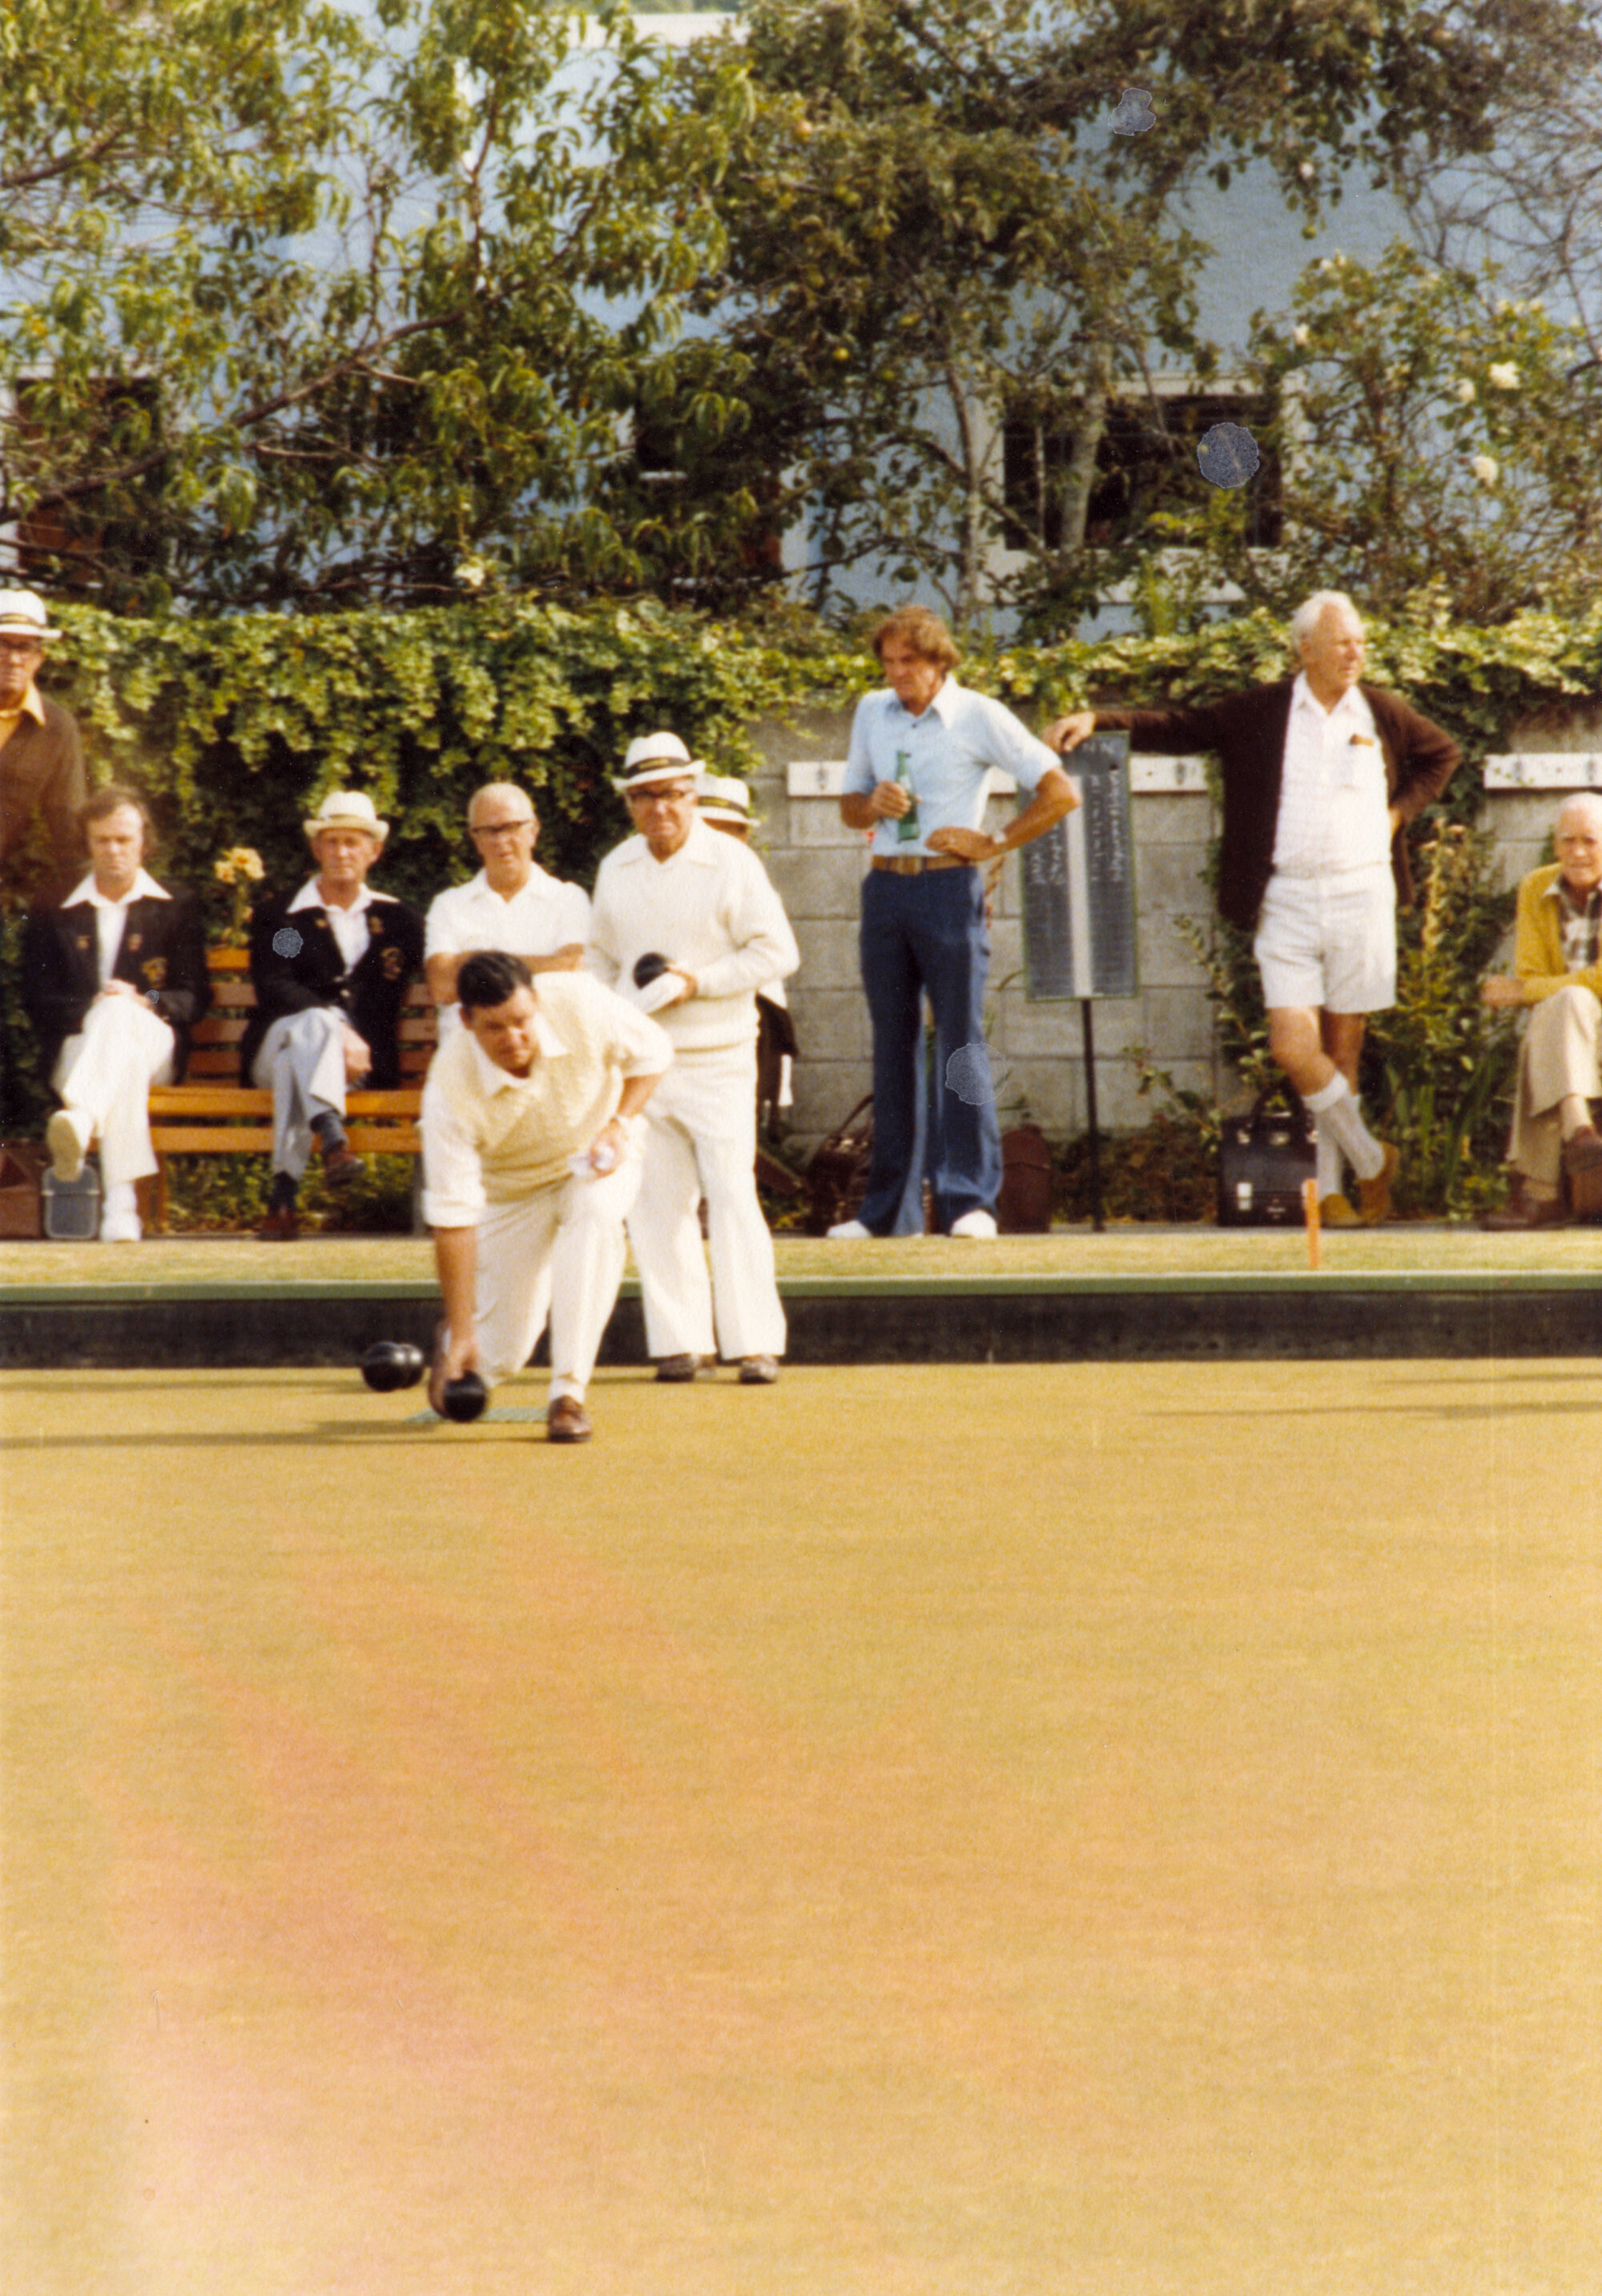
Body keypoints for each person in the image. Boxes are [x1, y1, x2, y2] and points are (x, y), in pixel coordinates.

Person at [1050, 591, 1461, 1225]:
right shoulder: (1262, 711)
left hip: (1362, 894)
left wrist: (1396, 815)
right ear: (1305, 651)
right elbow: (1179, 728)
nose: (1356, 652)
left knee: (1344, 1054)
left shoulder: (1381, 711)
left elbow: (1442, 755)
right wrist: (1098, 719)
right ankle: (1375, 1159)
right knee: (1294, 1047)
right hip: (1287, 898)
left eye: (1360, 641)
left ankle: (1332, 1191)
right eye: (1342, 642)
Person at [835, 605, 1078, 1240]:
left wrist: (994, 840)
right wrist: (872, 803)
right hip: (885, 887)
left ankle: (969, 1200)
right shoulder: (870, 711)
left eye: (908, 662)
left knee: (961, 1044)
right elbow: (847, 807)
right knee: (891, 1048)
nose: (896, 675)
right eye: (887, 663)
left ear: (939, 661)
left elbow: (1061, 793)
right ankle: (888, 1213)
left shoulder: (980, 715)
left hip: (948, 888)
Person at [587, 731, 799, 1384]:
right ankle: (680, 1342)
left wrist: (695, 981)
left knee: (733, 1194)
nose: (662, 809)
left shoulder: (732, 864)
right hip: (646, 1064)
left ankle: (755, 1342)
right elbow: (599, 957)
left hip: (720, 1057)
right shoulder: (616, 868)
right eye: (647, 797)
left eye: (675, 795)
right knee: (655, 1204)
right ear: (629, 803)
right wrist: (608, 1012)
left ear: (693, 794)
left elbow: (776, 954)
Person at [421, 949, 672, 1443]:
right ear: (466, 1021)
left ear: (535, 1000)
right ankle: (454, 1341)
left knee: (596, 1212)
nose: (514, 1039)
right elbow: (454, 1220)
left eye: (521, 1020)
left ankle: (568, 1394)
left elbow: (655, 1052)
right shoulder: (448, 1091)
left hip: (594, 1154)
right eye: (495, 1028)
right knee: (499, 1356)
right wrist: (462, 1332)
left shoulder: (579, 999)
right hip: (513, 1192)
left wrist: (618, 1125)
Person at [22, 785, 211, 1241]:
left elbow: (194, 997)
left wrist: (144, 1000)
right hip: (79, 1048)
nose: (113, 850)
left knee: (124, 1018)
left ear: (144, 841)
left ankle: (82, 1119)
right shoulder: (52, 910)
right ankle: (122, 1208)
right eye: (102, 839)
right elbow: (37, 997)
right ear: (87, 842)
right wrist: (97, 1008)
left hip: (156, 1048)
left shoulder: (177, 907)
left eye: (124, 840)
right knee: (114, 1029)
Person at [241, 790, 425, 1240]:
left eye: (353, 842)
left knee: (297, 1066)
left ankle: (282, 1200)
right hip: (278, 1041)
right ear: (316, 848)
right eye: (332, 841)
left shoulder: (398, 921)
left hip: (356, 1066)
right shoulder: (287, 920)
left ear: (374, 851)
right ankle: (332, 1136)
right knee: (313, 1026)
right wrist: (337, 1027)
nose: (342, 852)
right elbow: (278, 985)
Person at [1478, 791, 1602, 1230]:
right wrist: (1543, 991)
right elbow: (1532, 972)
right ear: (1554, 844)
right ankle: (1578, 1129)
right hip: (1569, 1027)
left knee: (1559, 1007)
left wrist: (1530, 991)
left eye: (1590, 840)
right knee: (1559, 1010)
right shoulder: (1535, 887)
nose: (1578, 852)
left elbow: (1529, 985)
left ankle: (1540, 1195)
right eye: (1568, 841)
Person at [423, 783, 590, 1045]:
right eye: (489, 830)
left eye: (511, 827)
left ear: (533, 831)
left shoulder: (568, 898)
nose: (501, 841)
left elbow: (574, 972)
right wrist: (543, 965)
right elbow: (442, 986)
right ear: (475, 838)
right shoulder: (448, 905)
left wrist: (475, 962)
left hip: (545, 1054)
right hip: (466, 1057)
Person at [694, 768, 799, 1132]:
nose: (718, 840)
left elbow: (775, 959)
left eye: (728, 829)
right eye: (708, 827)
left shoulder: (754, 886)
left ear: (744, 835)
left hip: (750, 1019)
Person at [0, 588, 87, 902]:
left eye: (25, 647)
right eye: (3, 645)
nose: (13, 658)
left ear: (39, 658)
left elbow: (69, 828)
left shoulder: (57, 729)